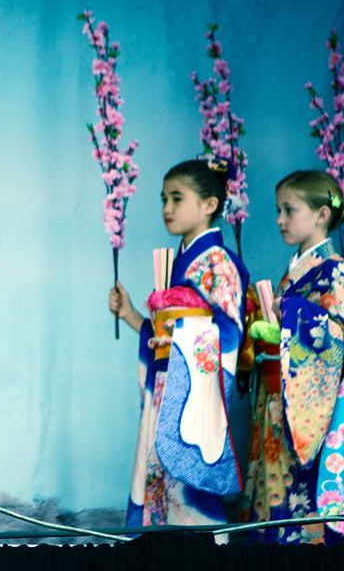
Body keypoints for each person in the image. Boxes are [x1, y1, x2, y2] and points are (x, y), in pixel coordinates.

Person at [109, 159, 249, 528]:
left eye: (177, 198)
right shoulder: (181, 262)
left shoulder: (217, 263)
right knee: (158, 490)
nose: (167, 209)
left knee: (189, 496)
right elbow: (163, 338)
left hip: (192, 398)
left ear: (209, 205)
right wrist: (132, 315)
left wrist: (181, 332)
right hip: (167, 390)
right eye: (163, 199)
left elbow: (230, 333)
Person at [242, 170, 344, 544]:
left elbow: (338, 337)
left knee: (297, 497)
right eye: (278, 210)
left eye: (289, 210)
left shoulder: (335, 271)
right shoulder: (297, 270)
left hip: (304, 407)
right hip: (274, 399)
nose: (280, 220)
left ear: (321, 215)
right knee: (269, 496)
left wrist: (295, 315)